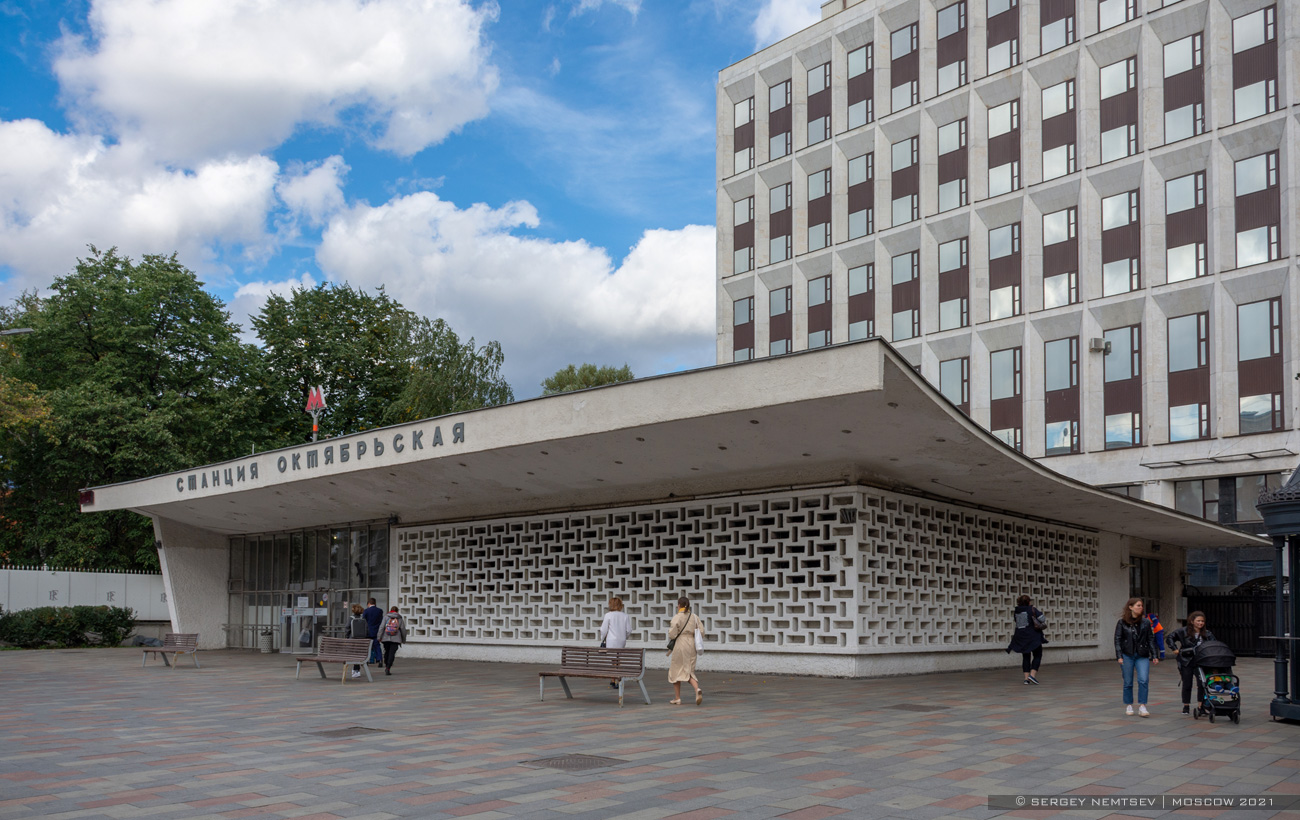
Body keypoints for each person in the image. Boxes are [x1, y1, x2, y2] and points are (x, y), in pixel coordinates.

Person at [1114, 597, 1160, 716]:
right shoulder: (1122, 622)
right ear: (1131, 607)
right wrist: (1119, 656)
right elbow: (1117, 640)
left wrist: (1154, 654)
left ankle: (1142, 706)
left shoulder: (1146, 622)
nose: (1141, 608)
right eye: (1138, 605)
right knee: (1128, 681)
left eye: (1141, 606)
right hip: (1127, 655)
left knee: (1143, 680)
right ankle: (1129, 705)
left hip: (1142, 655)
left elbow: (1150, 639)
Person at [1167, 611, 1215, 715]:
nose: (1200, 623)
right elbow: (1170, 637)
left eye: (1202, 621)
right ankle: (1186, 705)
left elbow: (1213, 644)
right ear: (1192, 621)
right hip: (1186, 661)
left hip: (1201, 662)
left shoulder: (1207, 633)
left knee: (1202, 684)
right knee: (1187, 683)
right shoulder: (1183, 631)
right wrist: (1174, 648)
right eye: (1198, 621)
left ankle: (1201, 706)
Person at [666, 596, 704, 705]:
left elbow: (672, 634)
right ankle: (695, 689)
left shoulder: (677, 617)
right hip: (692, 644)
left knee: (676, 669)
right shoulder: (694, 617)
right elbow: (702, 632)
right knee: (689, 669)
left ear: (679, 605)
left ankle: (679, 697)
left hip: (680, 644)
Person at [1006, 594, 1046, 684]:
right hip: (1033, 637)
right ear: (1028, 602)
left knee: (1026, 656)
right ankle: (1032, 675)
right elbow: (1042, 619)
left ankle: (1026, 679)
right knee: (1037, 655)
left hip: (1021, 637)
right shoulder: (1032, 609)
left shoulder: (1017, 611)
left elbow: (1017, 622)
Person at [600, 596, 632, 689]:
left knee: (613, 660)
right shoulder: (625, 616)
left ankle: (613, 679)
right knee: (618, 660)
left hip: (611, 640)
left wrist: (602, 638)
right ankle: (617, 679)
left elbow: (603, 630)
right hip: (621, 640)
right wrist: (624, 637)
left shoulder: (608, 615)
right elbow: (629, 630)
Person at [378, 605, 406, 676]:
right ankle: (388, 667)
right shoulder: (399, 618)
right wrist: (403, 639)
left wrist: (379, 637)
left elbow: (381, 627)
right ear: (397, 611)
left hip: (386, 638)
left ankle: (386, 661)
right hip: (396, 639)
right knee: (392, 653)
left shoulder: (386, 617)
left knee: (387, 651)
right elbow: (403, 629)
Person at [347, 603, 368, 679]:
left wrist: (347, 637)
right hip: (361, 640)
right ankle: (356, 670)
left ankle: (355, 669)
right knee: (358, 654)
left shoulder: (351, 618)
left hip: (352, 639)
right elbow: (366, 629)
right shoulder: (363, 619)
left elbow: (347, 628)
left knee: (354, 654)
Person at [363, 598, 384, 666]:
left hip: (368, 632)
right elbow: (381, 621)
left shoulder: (366, 611)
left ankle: (367, 660)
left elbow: (363, 621)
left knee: (367, 647)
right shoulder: (380, 611)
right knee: (377, 646)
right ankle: (379, 660)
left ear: (369, 603)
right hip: (377, 631)